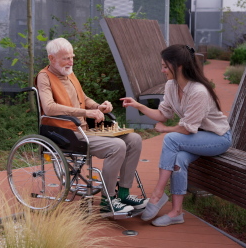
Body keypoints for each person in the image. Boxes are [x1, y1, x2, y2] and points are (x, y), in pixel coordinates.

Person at [121, 44, 231, 226]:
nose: (162, 70)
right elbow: (163, 115)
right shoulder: (171, 86)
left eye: (165, 66)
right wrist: (137, 105)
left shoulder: (198, 91)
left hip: (217, 139)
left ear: (178, 65)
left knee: (171, 138)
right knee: (179, 159)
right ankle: (176, 212)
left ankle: (157, 194)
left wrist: (165, 129)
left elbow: (187, 129)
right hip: (196, 139)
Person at [37, 37, 148, 213]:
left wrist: (98, 107)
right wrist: (86, 113)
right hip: (66, 132)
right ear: (52, 58)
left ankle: (124, 193)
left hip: (84, 128)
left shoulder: (68, 72)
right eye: (66, 58)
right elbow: (49, 108)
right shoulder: (44, 77)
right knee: (117, 146)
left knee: (134, 139)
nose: (71, 61)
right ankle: (108, 200)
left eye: (72, 57)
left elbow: (83, 98)